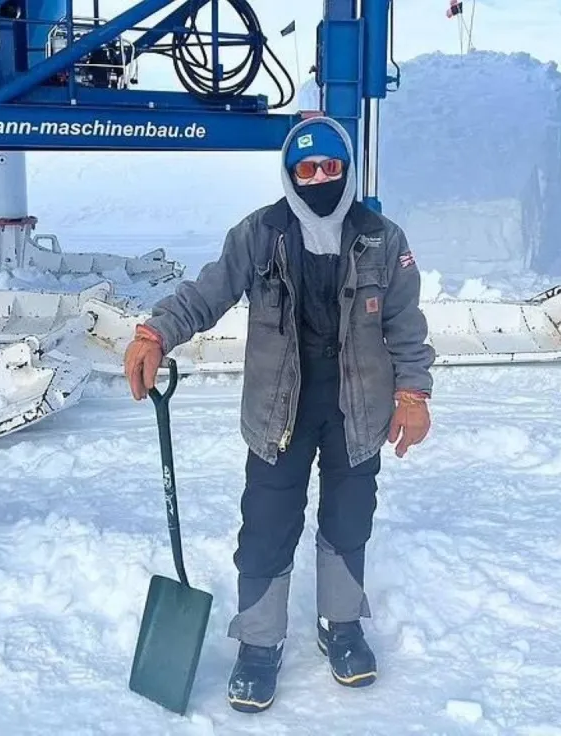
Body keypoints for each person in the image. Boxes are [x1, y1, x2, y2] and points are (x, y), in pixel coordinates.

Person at [123, 115, 435, 713]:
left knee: (349, 521)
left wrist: (413, 395)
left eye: (331, 167)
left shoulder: (382, 238)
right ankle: (259, 645)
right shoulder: (259, 233)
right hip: (278, 411)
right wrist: (154, 333)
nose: (320, 178)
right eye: (308, 168)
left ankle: (340, 626)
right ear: (291, 173)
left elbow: (406, 324)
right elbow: (206, 293)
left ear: (346, 170)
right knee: (267, 526)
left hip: (357, 411)